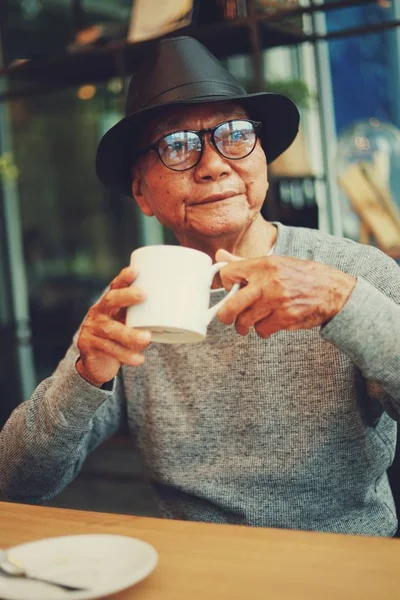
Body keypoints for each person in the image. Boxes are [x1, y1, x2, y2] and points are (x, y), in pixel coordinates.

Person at [1, 36, 399, 537]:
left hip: (346, 568)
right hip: (196, 569)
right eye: (178, 145)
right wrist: (83, 377)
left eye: (234, 135)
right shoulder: (131, 302)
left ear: (263, 161)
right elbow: (15, 483)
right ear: (142, 192)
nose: (213, 164)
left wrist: (345, 303)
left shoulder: (352, 273)